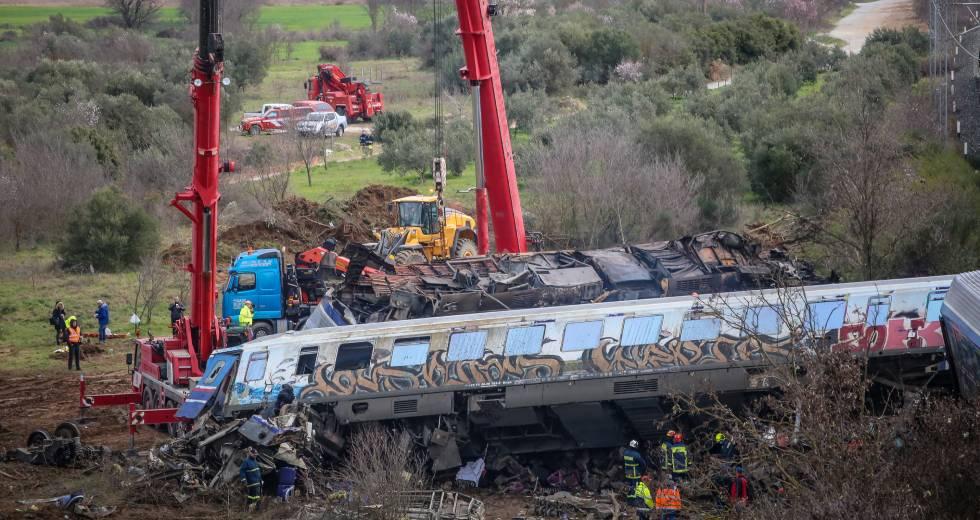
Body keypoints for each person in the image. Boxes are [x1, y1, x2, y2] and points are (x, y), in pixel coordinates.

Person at [623, 440, 649, 506]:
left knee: (629, 485)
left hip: (628, 473)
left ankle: (629, 500)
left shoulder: (625, 452)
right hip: (635, 473)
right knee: (635, 487)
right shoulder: (636, 454)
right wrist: (642, 472)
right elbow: (643, 464)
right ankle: (634, 502)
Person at [239, 447, 263, 511]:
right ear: (250, 454)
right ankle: (255, 510)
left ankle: (250, 509)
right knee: (255, 496)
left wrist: (261, 480)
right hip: (252, 483)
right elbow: (242, 471)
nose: (255, 456)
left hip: (257, 482)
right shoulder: (246, 462)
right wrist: (244, 480)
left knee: (253, 496)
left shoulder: (255, 461)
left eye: (256, 455)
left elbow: (258, 472)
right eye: (254, 455)